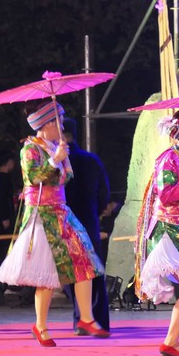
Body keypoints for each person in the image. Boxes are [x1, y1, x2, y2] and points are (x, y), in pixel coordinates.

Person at [0, 100, 107, 347]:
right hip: (41, 215)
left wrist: (62, 161)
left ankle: (86, 317)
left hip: (61, 211)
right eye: (57, 120)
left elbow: (66, 178)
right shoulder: (30, 149)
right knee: (46, 275)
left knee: (85, 260)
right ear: (45, 124)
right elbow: (34, 178)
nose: (62, 125)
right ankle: (41, 325)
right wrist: (55, 161)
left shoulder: (56, 145)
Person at [135, 107, 179, 356]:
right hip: (170, 231)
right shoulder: (169, 158)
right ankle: (170, 341)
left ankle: (170, 341)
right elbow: (166, 192)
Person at [61, 117, 111, 333]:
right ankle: (96, 319)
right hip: (88, 218)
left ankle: (80, 317)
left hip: (64, 219)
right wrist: (97, 211)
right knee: (94, 271)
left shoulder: (59, 161)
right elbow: (104, 193)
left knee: (70, 272)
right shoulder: (92, 160)